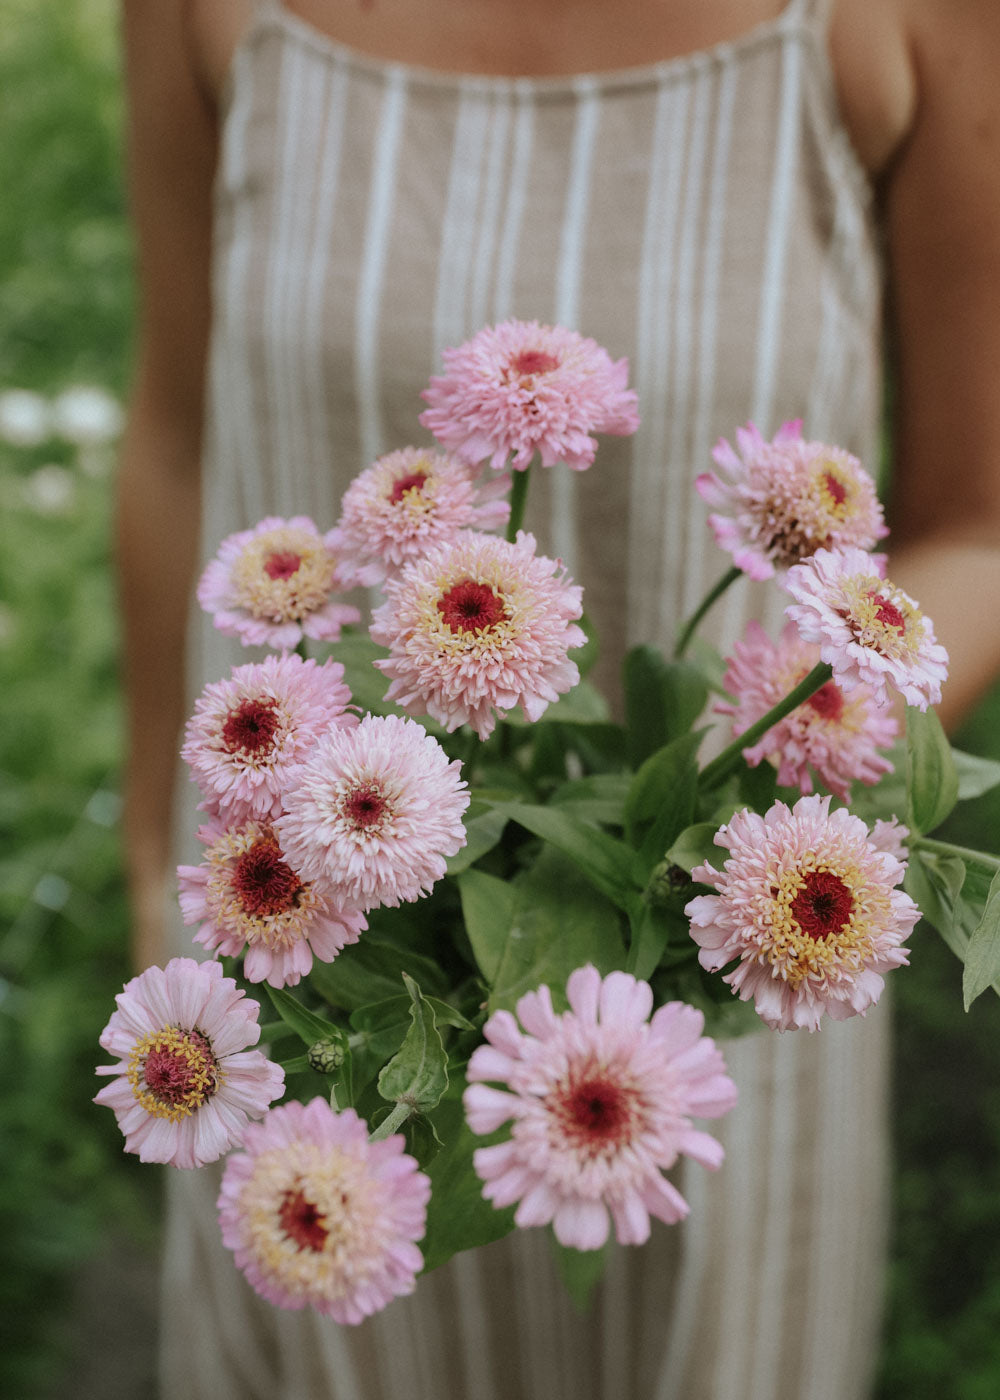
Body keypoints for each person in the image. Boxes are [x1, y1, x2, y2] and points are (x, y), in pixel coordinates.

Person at [116, 1, 1000, 1396]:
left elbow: (981, 526)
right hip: (301, 953)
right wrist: (148, 847)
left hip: (735, 975)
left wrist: (754, 839)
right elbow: (175, 432)